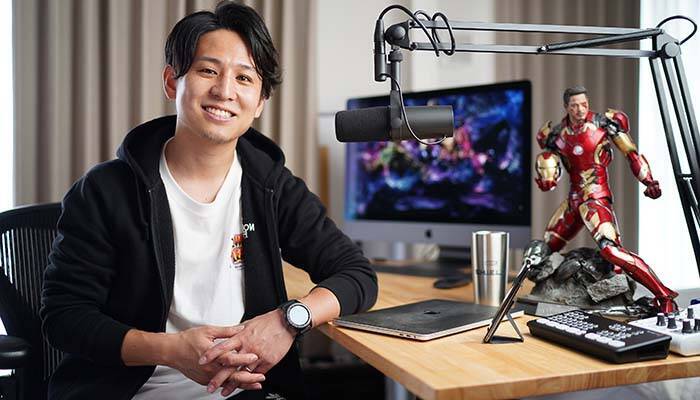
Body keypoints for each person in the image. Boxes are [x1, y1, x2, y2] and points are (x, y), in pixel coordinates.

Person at [40, 2, 378, 399]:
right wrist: (171, 350)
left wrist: (289, 320)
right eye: (208, 71)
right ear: (172, 82)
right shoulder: (105, 190)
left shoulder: (270, 186)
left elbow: (356, 274)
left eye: (244, 78)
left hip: (247, 391)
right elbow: (65, 317)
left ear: (260, 102)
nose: (224, 91)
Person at [533, 85, 677, 313]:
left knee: (611, 250)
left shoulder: (604, 124)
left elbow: (631, 154)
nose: (580, 110)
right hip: (574, 200)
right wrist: (546, 176)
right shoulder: (555, 134)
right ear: (566, 107)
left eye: (584, 104)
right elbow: (548, 161)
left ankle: (664, 295)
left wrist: (649, 181)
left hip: (596, 198)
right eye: (574, 105)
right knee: (546, 247)